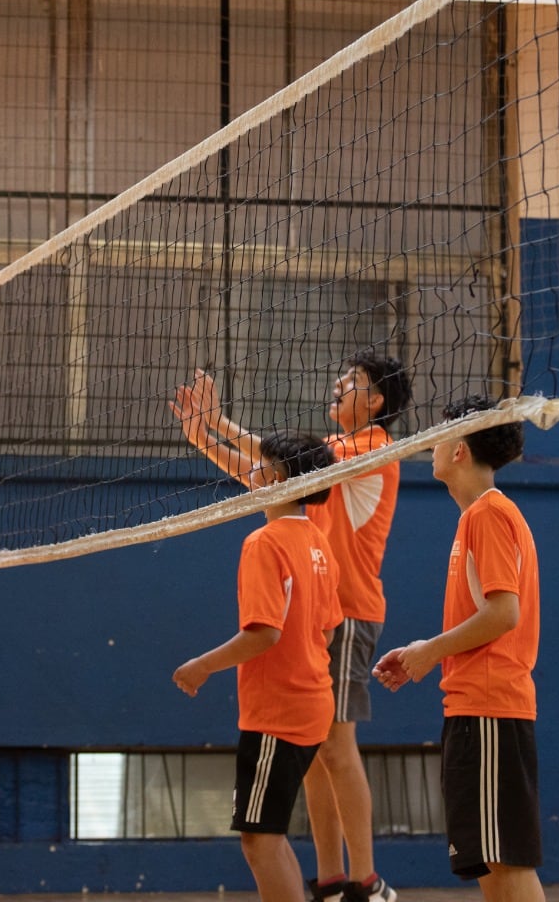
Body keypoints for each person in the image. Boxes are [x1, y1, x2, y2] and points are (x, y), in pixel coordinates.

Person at [173, 351, 411, 902]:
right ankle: (330, 878)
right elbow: (270, 477)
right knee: (312, 752)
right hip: (319, 605)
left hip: (349, 608)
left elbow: (288, 463)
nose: (337, 383)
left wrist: (218, 421)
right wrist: (203, 438)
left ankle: (367, 880)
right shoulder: (308, 481)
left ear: (375, 401)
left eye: (351, 381)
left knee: (336, 746)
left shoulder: (375, 447)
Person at [373, 397, 545, 902]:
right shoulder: (478, 516)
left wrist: (428, 653)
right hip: (474, 707)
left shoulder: (488, 515)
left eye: (442, 435)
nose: (432, 442)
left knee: (505, 862)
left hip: (491, 706)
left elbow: (503, 614)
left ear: (461, 451)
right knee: (491, 866)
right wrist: (424, 653)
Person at [170, 423, 343, 902]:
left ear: (278, 479)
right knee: (267, 833)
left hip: (279, 713)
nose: (252, 469)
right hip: (313, 704)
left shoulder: (264, 543)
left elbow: (264, 632)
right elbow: (327, 628)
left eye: (262, 464)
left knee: (259, 839)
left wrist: (203, 664)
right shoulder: (318, 542)